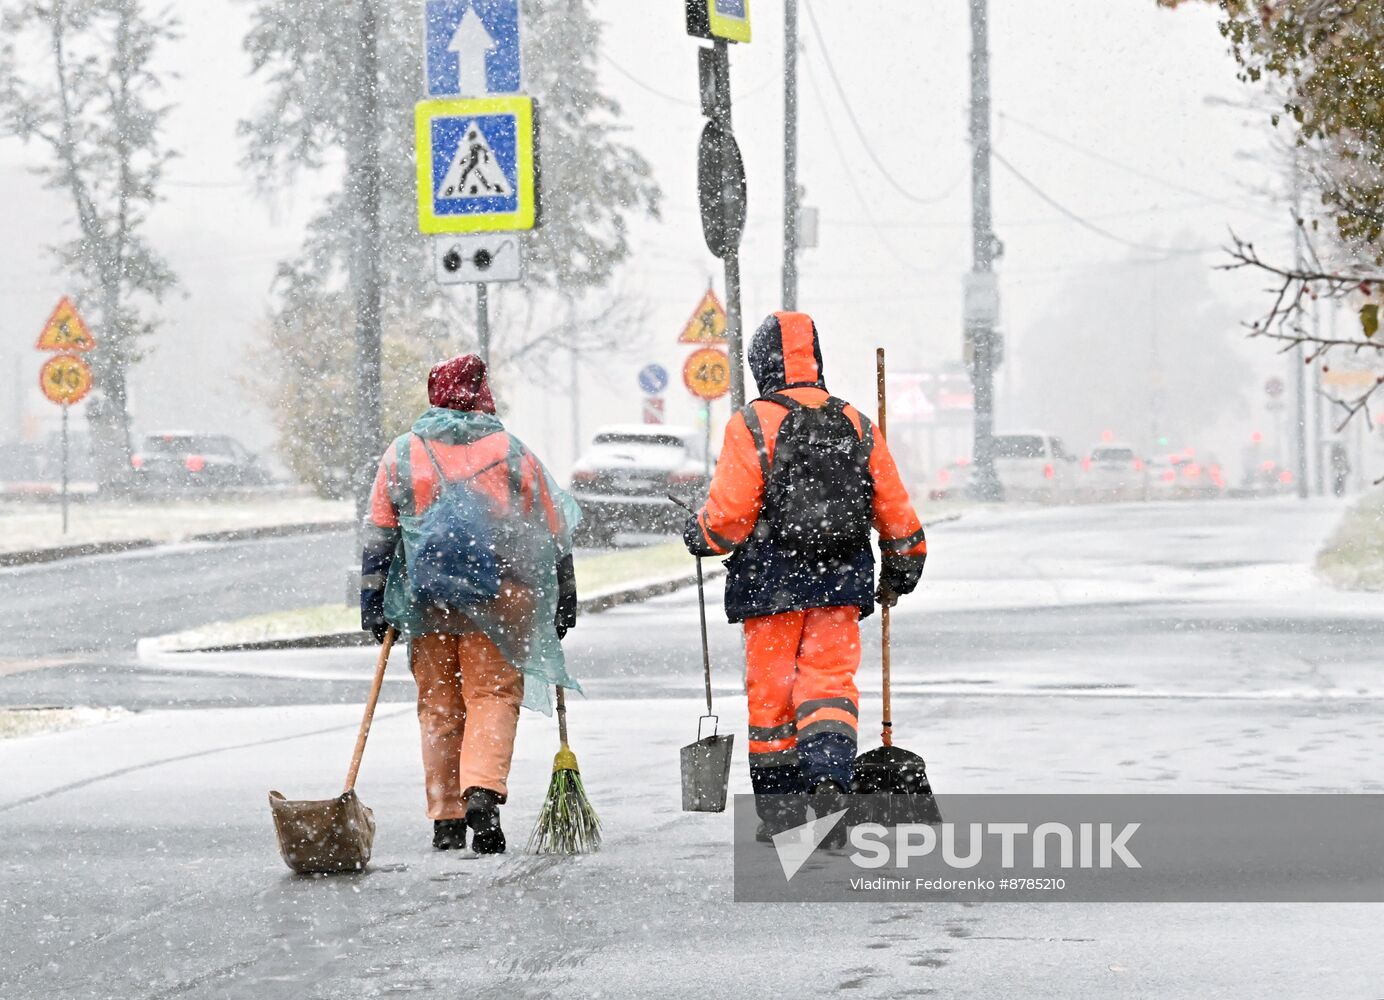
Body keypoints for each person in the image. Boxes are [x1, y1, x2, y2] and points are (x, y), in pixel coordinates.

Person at [681, 312, 929, 840]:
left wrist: (699, 536)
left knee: (771, 697)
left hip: (769, 582)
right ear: (816, 360)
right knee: (828, 684)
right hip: (840, 579)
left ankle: (782, 811)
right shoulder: (857, 423)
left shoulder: (751, 424)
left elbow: (728, 518)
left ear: (760, 363)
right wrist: (903, 564)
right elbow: (895, 509)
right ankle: (830, 778)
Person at [360, 355, 581, 854]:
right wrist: (564, 591)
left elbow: (379, 533)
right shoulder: (512, 452)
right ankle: (481, 789)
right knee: (493, 696)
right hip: (502, 599)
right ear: (483, 395)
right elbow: (551, 528)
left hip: (428, 599)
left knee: (439, 706)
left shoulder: (403, 453)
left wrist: (372, 600)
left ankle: (446, 816)